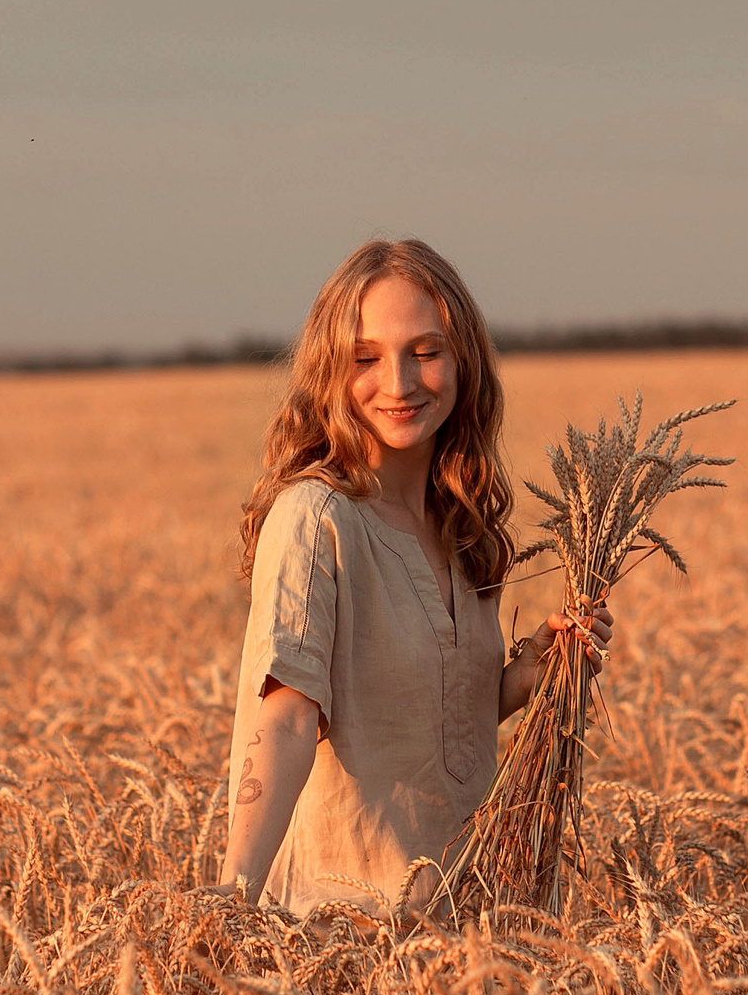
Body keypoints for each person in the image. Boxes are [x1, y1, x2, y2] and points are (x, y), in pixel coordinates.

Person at [216, 239, 611, 916]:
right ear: (330, 373)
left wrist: (524, 678)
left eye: (425, 351)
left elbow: (416, 720)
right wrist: (227, 904)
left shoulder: (461, 528)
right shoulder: (316, 517)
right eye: (365, 358)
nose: (398, 383)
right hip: (341, 947)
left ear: (464, 364)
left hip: (469, 937)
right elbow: (284, 718)